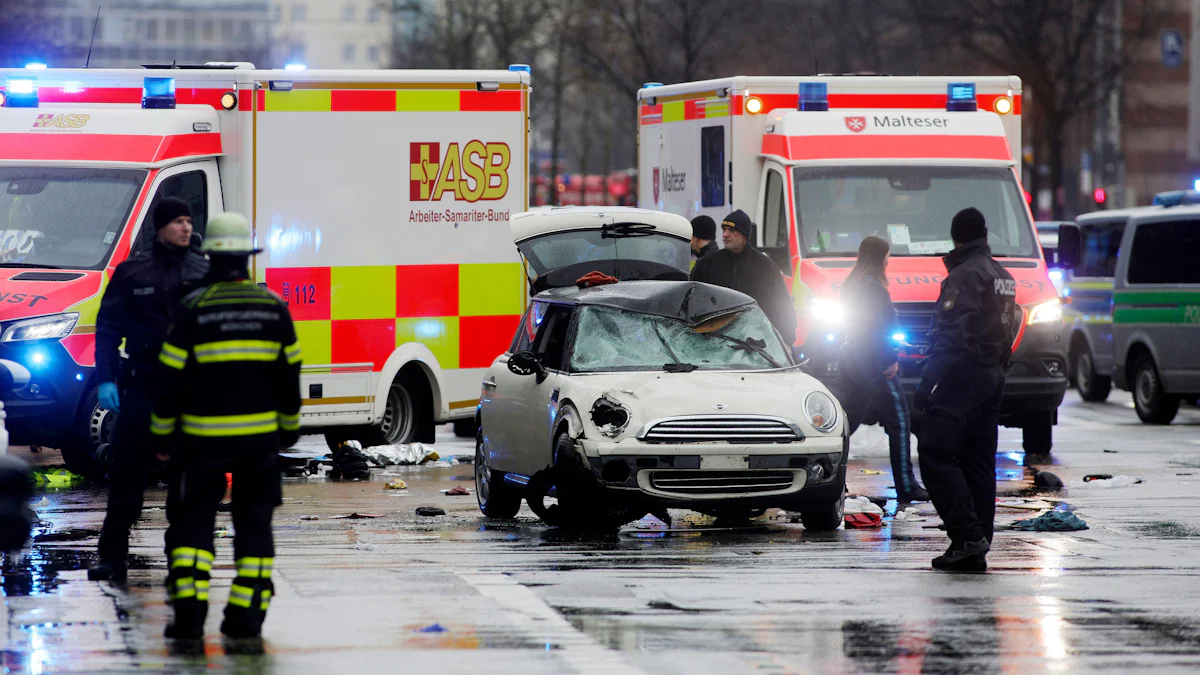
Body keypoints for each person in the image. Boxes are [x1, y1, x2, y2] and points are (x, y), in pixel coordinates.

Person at [150, 212, 302, 639]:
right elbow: (289, 377)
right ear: (247, 258)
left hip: (199, 447)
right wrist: (287, 430)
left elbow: (169, 381)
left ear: (209, 256)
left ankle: (189, 616)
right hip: (259, 446)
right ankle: (246, 616)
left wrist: (161, 435)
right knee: (254, 526)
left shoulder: (192, 309)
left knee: (192, 525)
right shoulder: (273, 308)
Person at [89, 197, 208, 582]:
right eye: (177, 221)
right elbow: (107, 329)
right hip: (142, 385)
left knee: (186, 478)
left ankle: (182, 559)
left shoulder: (203, 271)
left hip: (190, 390)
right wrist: (105, 377)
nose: (186, 228)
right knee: (127, 476)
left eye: (189, 220)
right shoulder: (132, 272)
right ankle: (111, 557)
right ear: (160, 226)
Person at [915, 208, 1019, 572]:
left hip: (964, 376)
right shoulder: (1002, 275)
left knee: (935, 453)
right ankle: (978, 541)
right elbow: (1013, 324)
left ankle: (966, 536)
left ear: (955, 237)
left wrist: (927, 386)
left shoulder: (963, 277)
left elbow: (951, 338)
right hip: (992, 376)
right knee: (978, 461)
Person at [838, 236, 928, 503]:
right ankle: (906, 485)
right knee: (899, 421)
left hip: (852, 358)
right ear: (880, 257)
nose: (888, 261)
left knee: (847, 422)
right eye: (887, 256)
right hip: (875, 363)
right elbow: (883, 327)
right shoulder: (874, 287)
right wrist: (891, 358)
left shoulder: (851, 284)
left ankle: (828, 479)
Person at [691, 209, 797, 346]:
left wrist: (787, 341)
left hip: (756, 346)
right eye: (724, 229)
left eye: (731, 230)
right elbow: (693, 303)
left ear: (744, 235)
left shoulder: (766, 267)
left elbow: (782, 306)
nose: (725, 235)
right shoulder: (708, 264)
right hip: (715, 344)